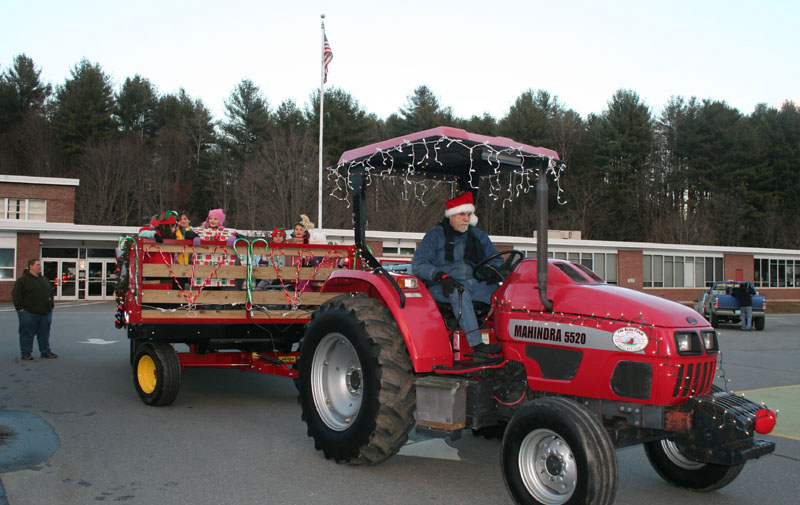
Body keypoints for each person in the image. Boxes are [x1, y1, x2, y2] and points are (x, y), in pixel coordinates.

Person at [412, 191, 504, 356]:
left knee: (501, 293)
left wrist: (492, 272)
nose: (466, 219)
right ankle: (476, 345)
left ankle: (503, 339)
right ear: (452, 215)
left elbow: (497, 260)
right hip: (442, 286)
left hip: (473, 283)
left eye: (469, 214)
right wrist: (440, 276)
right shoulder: (435, 236)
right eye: (462, 214)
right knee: (458, 292)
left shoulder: (478, 236)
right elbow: (418, 264)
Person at [12, 258, 57, 360]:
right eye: (37, 265)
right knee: (27, 333)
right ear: (30, 266)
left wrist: (51, 305)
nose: (40, 267)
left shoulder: (44, 279)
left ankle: (45, 352)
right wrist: (20, 308)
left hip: (45, 312)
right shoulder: (23, 280)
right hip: (29, 313)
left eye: (40, 265)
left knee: (44, 334)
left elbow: (50, 293)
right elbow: (16, 295)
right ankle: (26, 353)